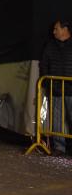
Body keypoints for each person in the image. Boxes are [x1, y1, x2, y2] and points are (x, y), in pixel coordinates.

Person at [39, 20, 72, 155]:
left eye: (56, 29)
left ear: (65, 29)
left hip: (71, 89)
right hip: (55, 88)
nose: (54, 32)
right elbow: (44, 64)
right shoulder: (50, 45)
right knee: (57, 119)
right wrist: (46, 82)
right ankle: (59, 147)